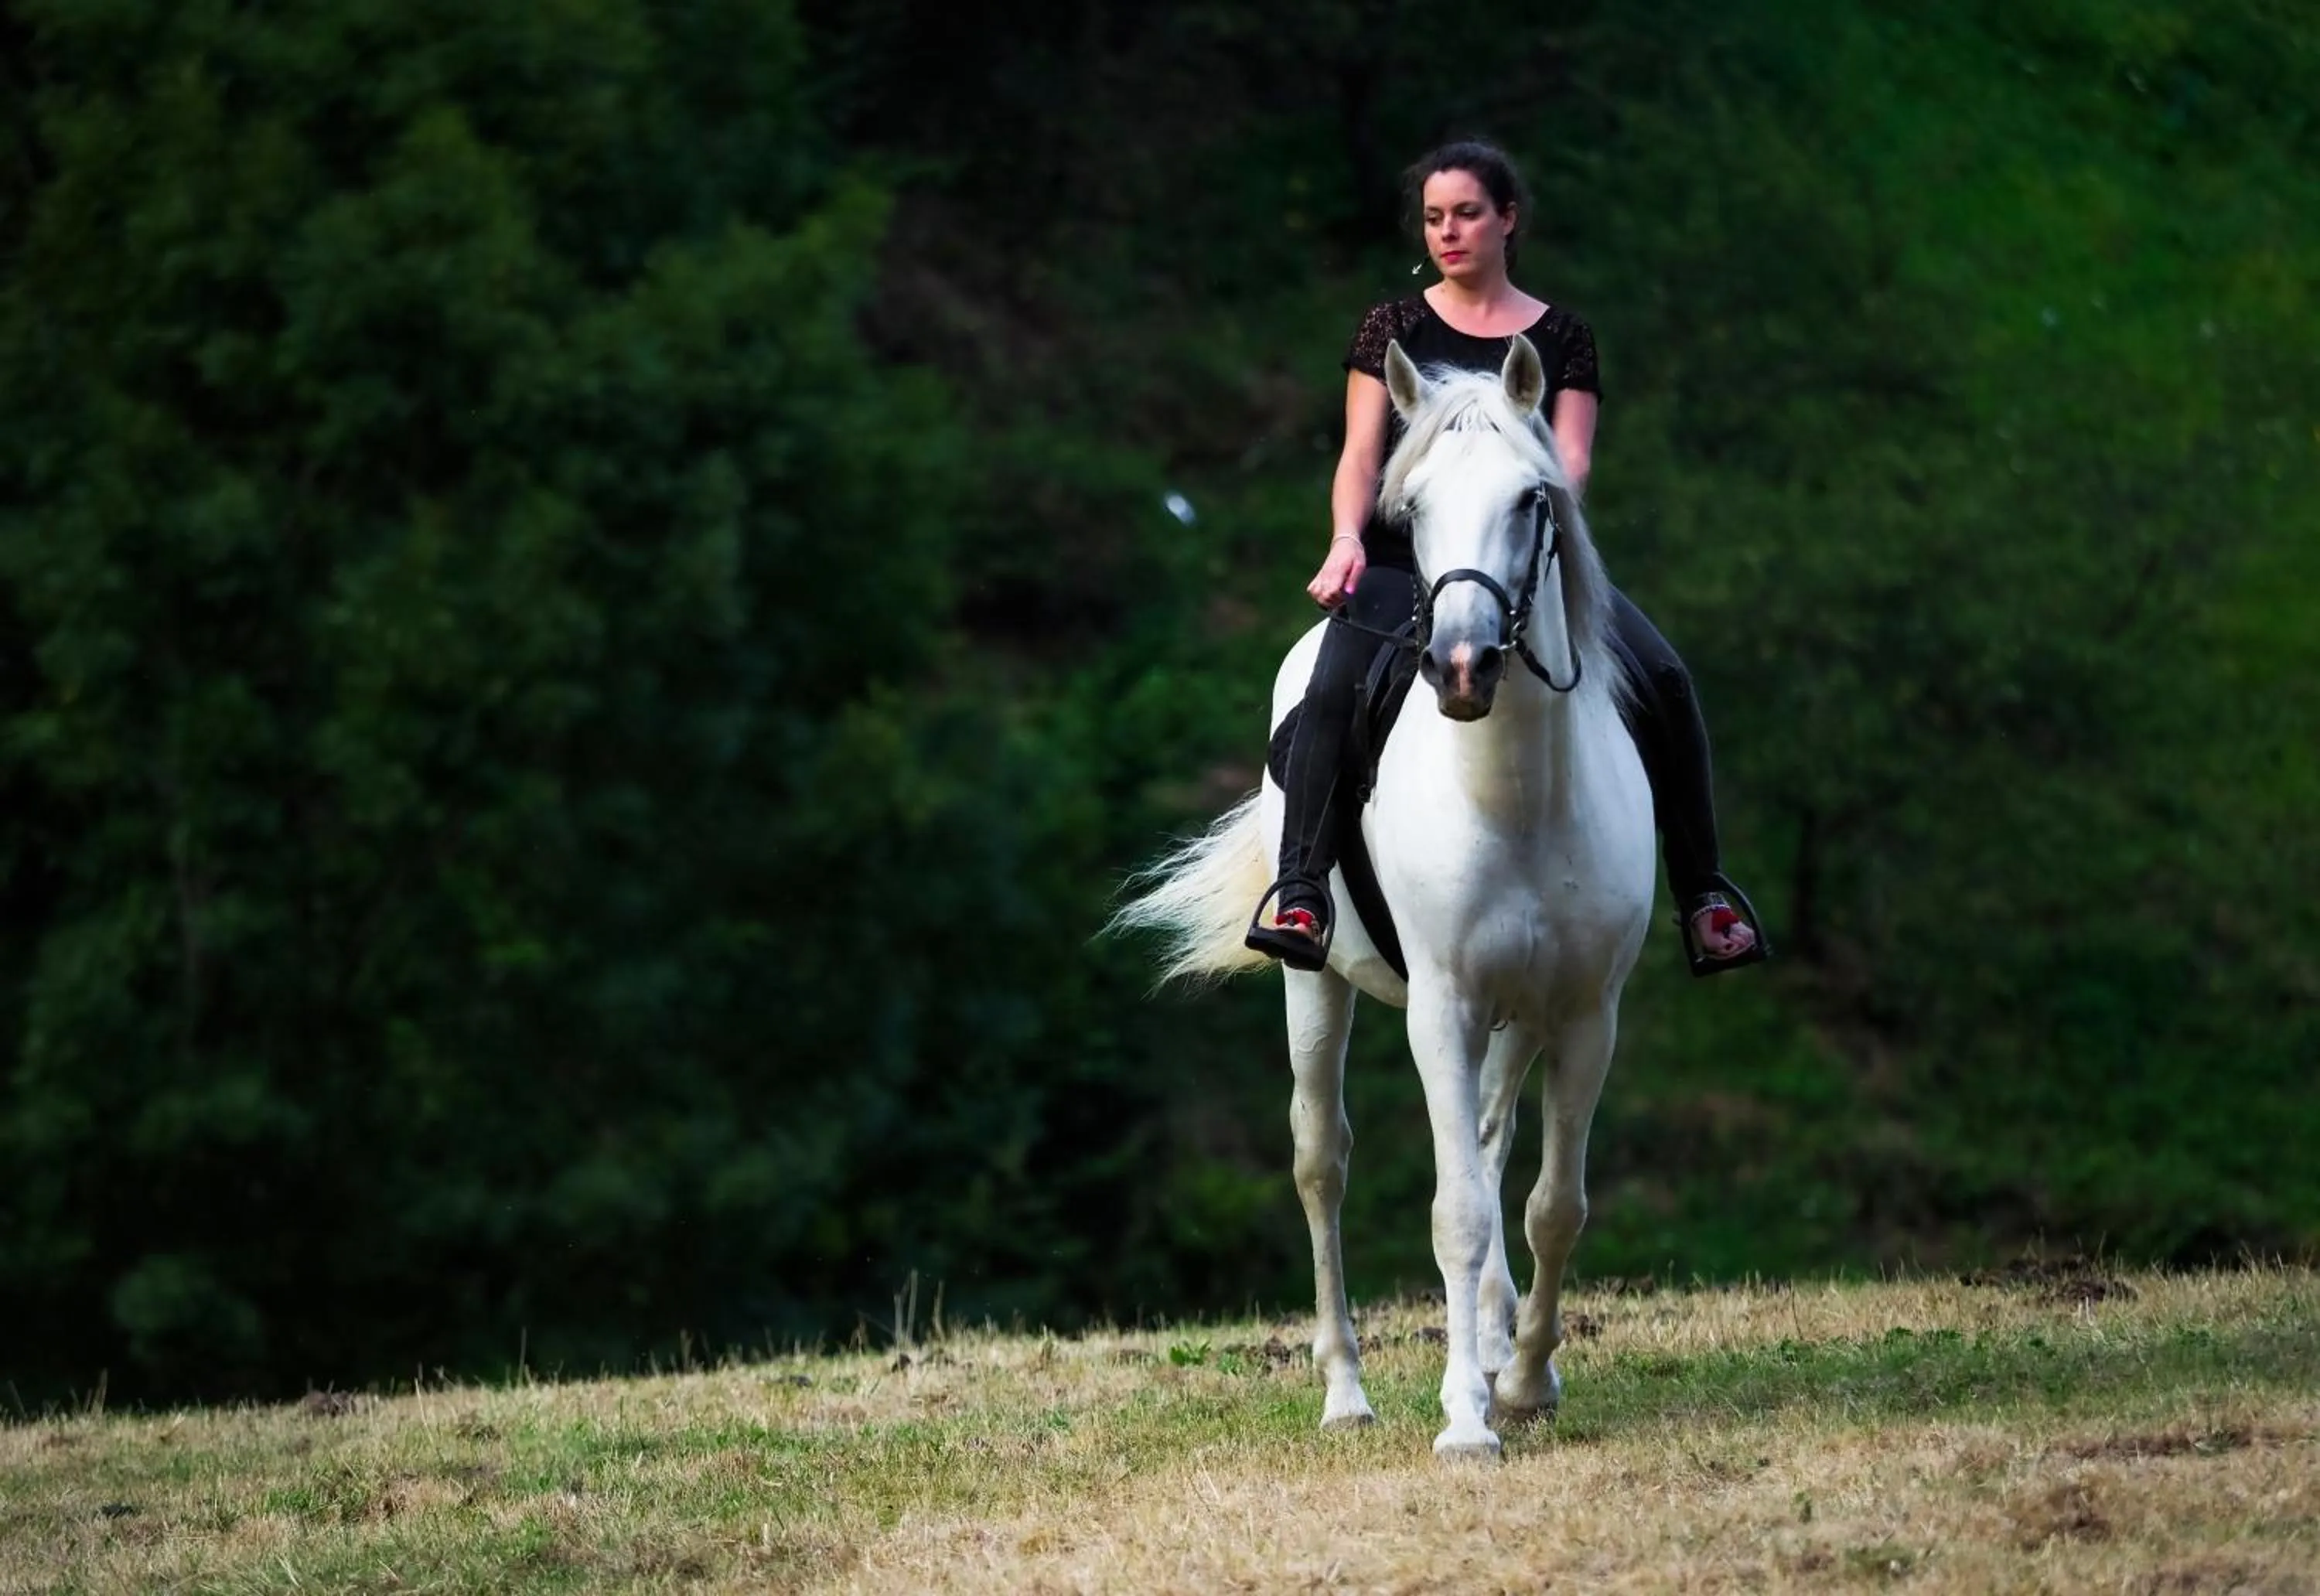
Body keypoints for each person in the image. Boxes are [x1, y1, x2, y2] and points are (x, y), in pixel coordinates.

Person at [1245, 138, 1767, 978]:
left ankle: (1704, 893)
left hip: (1527, 563)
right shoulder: (1392, 328)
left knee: (1666, 678)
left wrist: (1515, 517)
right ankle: (1301, 890)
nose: (1448, 233)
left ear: (1507, 219)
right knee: (1332, 687)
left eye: (1467, 214)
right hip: (1405, 561)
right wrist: (1346, 538)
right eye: (1434, 218)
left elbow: (1573, 462)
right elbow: (1361, 455)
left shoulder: (1562, 337)